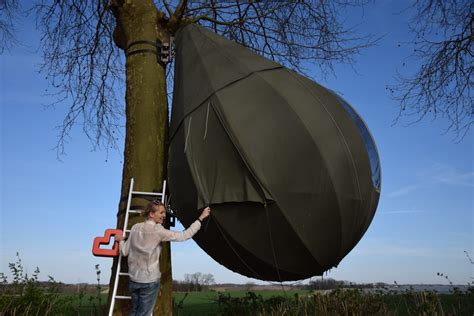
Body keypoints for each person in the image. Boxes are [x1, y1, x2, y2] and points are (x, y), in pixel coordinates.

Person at [115, 200, 211, 316]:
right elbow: (184, 235)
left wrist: (121, 241)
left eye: (164, 213)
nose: (164, 215)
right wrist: (201, 218)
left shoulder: (135, 228)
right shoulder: (158, 231)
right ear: (151, 214)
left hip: (134, 280)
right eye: (161, 213)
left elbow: (124, 252)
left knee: (134, 311)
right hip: (149, 282)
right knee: (144, 314)